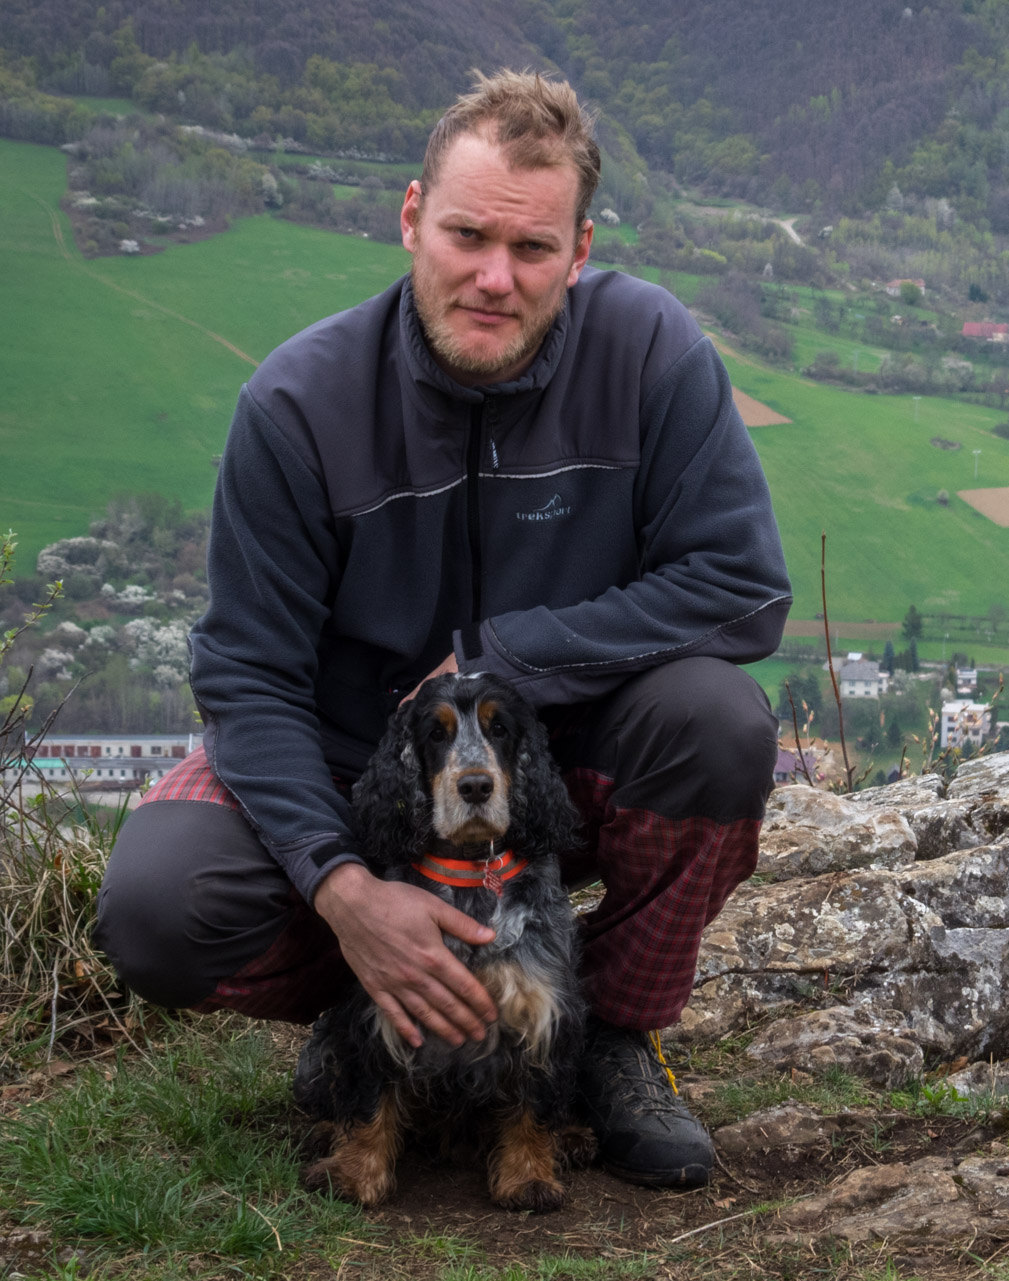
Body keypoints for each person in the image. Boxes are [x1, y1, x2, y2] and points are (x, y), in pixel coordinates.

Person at [92, 70, 792, 1189]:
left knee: (719, 726)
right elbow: (246, 679)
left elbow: (743, 588)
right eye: (467, 235)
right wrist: (344, 888)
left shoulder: (651, 353)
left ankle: (601, 1032)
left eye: (531, 250)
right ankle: (385, 1012)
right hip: (348, 769)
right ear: (412, 215)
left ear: (580, 247)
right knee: (157, 905)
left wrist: (506, 659)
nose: (493, 278)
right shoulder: (299, 407)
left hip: (559, 752)